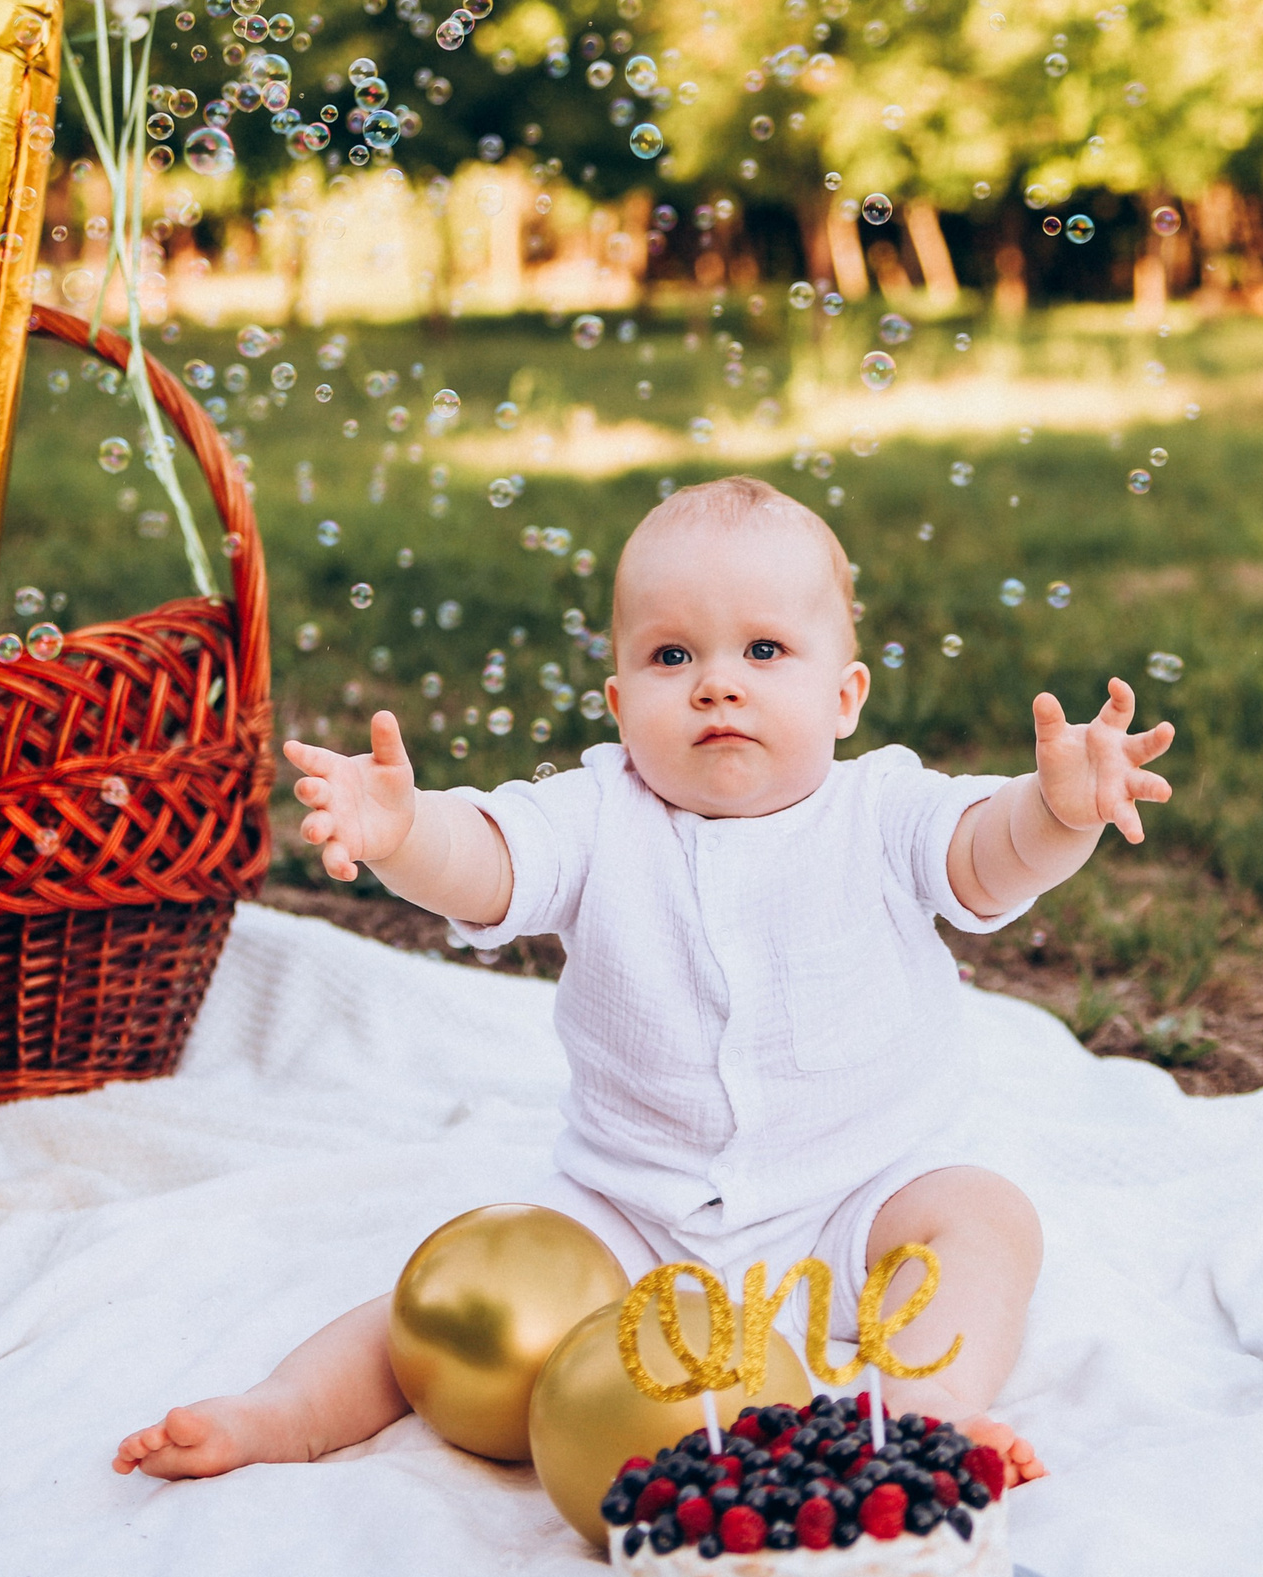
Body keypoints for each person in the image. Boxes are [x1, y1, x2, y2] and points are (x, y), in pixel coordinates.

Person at [115, 476, 1174, 1486]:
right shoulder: (595, 815)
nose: (718, 682)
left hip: (859, 1198)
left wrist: (1056, 814)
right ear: (620, 702)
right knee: (465, 1288)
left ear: (843, 694)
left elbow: (984, 856)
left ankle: (918, 1426)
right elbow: (489, 864)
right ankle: (288, 1411)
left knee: (987, 1220)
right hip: (634, 1212)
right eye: (674, 656)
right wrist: (405, 834)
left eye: (765, 649)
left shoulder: (881, 811)